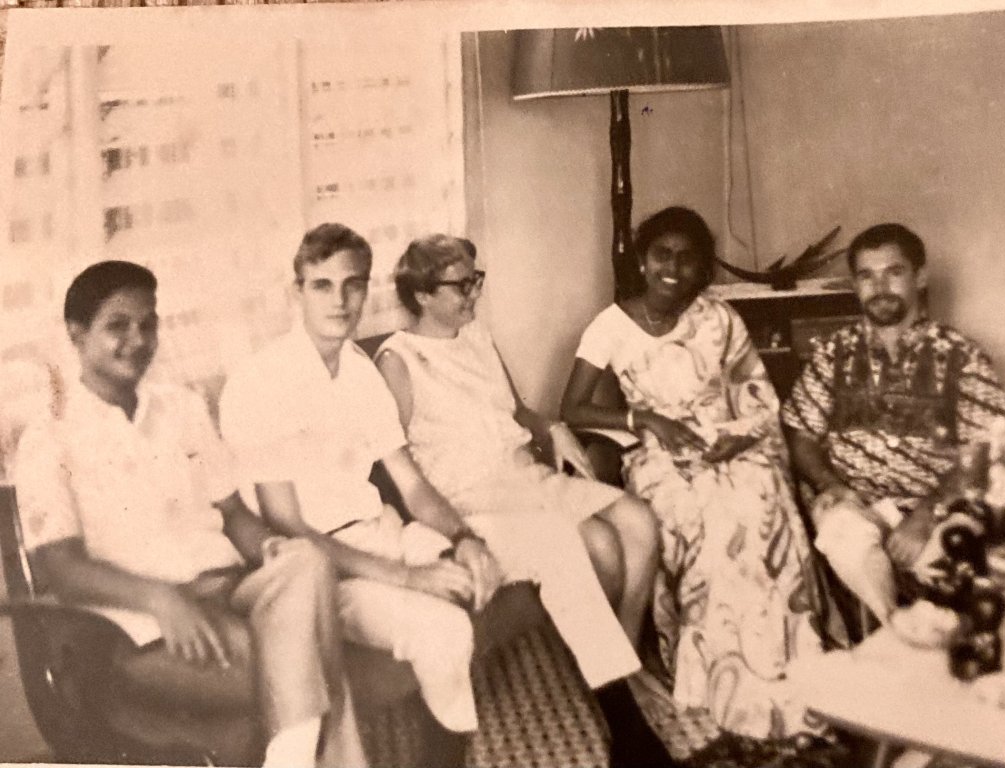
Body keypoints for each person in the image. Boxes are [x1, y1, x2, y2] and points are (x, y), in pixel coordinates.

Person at [13, 261, 366, 768]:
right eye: (117, 325)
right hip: (141, 623)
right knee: (298, 654)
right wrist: (159, 600)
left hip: (230, 590)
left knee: (306, 559)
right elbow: (60, 568)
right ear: (77, 333)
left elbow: (233, 515)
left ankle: (292, 754)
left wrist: (267, 547)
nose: (138, 339)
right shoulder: (50, 438)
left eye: (148, 323)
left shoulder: (181, 407)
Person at [375, 233, 677, 768]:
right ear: (421, 295)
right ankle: (619, 706)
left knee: (638, 521)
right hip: (470, 498)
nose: (473, 294)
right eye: (460, 285)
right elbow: (393, 465)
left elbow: (518, 412)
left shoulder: (478, 338)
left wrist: (553, 427)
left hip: (524, 475)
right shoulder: (399, 361)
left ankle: (619, 663)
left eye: (476, 280)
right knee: (599, 545)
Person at [562, 206, 843, 740]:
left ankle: (788, 665)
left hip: (733, 440)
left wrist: (734, 436)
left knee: (762, 501)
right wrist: (641, 417)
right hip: (659, 453)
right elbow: (572, 407)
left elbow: (756, 393)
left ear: (703, 271)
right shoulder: (611, 324)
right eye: (662, 255)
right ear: (643, 262)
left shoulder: (720, 318)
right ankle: (719, 677)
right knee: (708, 522)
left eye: (688, 260)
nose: (674, 269)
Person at [219, 223, 503, 736]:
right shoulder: (260, 381)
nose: (341, 300)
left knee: (477, 571)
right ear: (297, 292)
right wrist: (410, 579)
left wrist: (465, 539)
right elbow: (288, 528)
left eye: (353, 284)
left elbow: (412, 487)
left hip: (382, 532)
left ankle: (436, 729)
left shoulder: (360, 372)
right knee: (443, 630)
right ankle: (447, 753)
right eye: (322, 285)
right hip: (320, 571)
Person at [781, 223, 1005, 625]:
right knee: (842, 534)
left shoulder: (962, 356)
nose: (880, 287)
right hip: (856, 504)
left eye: (894, 272)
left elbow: (984, 452)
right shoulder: (833, 353)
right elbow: (801, 435)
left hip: (937, 509)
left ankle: (919, 644)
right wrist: (831, 485)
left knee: (955, 569)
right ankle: (892, 633)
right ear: (855, 284)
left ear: (919, 277)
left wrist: (925, 515)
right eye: (867, 276)